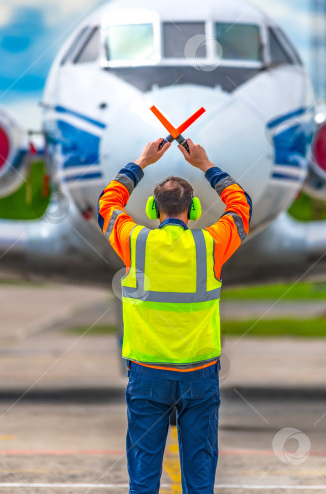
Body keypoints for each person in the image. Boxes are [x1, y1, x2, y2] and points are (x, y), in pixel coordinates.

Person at [96, 137, 252, 494]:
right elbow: (241, 209)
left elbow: (107, 205)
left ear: (153, 208)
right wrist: (206, 165)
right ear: (193, 209)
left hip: (148, 374)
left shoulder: (136, 243)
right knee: (199, 474)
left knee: (144, 475)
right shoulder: (210, 245)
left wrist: (140, 162)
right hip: (199, 375)